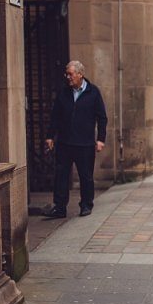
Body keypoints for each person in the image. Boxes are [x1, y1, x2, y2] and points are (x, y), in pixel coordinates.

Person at [44, 61, 107, 218]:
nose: (68, 77)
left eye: (70, 74)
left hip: (85, 144)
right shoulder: (64, 92)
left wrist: (100, 139)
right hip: (65, 142)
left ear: (80, 74)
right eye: (67, 74)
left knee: (86, 176)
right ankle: (60, 208)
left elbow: (102, 117)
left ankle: (86, 205)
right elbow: (55, 116)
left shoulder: (93, 92)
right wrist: (50, 136)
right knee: (61, 176)